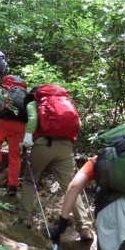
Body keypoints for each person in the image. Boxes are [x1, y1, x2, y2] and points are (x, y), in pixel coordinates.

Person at [18, 85, 93, 240]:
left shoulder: (35, 103)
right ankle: (84, 227)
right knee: (71, 186)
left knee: (30, 180)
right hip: (65, 146)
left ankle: (25, 219)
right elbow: (78, 124)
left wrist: (27, 138)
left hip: (43, 144)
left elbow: (32, 120)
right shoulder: (65, 102)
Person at [0, 75, 28, 196]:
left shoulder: (2, 91)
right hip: (19, 126)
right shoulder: (26, 94)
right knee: (15, 157)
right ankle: (13, 186)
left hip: (2, 123)